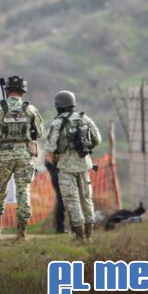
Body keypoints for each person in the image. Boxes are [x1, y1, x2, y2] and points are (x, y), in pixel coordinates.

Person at [0, 76, 43, 242]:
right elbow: (40, 132)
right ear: (23, 91)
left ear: (7, 90)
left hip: (3, 155)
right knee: (23, 193)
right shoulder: (30, 109)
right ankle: (21, 233)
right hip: (24, 155)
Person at [44, 90, 101, 242]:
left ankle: (79, 236)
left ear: (58, 106)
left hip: (66, 167)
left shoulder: (57, 123)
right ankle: (89, 235)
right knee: (86, 199)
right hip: (84, 164)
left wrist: (58, 153)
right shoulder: (84, 118)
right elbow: (97, 139)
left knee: (72, 200)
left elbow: (50, 147)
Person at [45, 159, 68, 233]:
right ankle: (59, 227)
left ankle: (59, 227)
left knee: (60, 201)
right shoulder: (55, 152)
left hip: (56, 173)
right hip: (60, 174)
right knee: (62, 201)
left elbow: (47, 162)